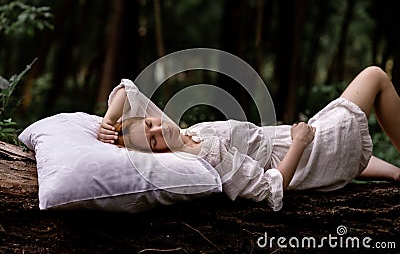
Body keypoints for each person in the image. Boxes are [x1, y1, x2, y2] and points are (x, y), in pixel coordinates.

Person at [98, 66, 400, 211]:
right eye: (152, 140)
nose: (158, 129)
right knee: (375, 77)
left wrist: (109, 122)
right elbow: (270, 189)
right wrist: (299, 142)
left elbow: (128, 90)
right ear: (157, 154)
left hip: (300, 141)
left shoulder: (183, 134)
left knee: (359, 107)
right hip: (309, 151)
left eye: (150, 123)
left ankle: (395, 172)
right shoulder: (208, 157)